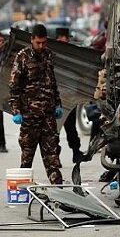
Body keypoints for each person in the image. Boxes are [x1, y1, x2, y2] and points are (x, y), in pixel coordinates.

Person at [9, 24, 63, 184]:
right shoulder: (22, 57)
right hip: (29, 117)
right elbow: (14, 87)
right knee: (27, 156)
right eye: (38, 42)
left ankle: (58, 190)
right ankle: (23, 189)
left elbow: (53, 83)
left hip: (48, 117)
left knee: (52, 156)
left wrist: (58, 104)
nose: (41, 46)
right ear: (32, 39)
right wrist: (16, 110)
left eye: (44, 42)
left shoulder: (48, 55)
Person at [55, 27, 83, 163]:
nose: (61, 40)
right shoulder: (52, 53)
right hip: (55, 98)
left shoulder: (73, 54)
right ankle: (55, 157)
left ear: (68, 38)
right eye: (59, 37)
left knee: (71, 128)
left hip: (70, 96)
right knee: (54, 129)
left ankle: (76, 152)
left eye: (63, 37)